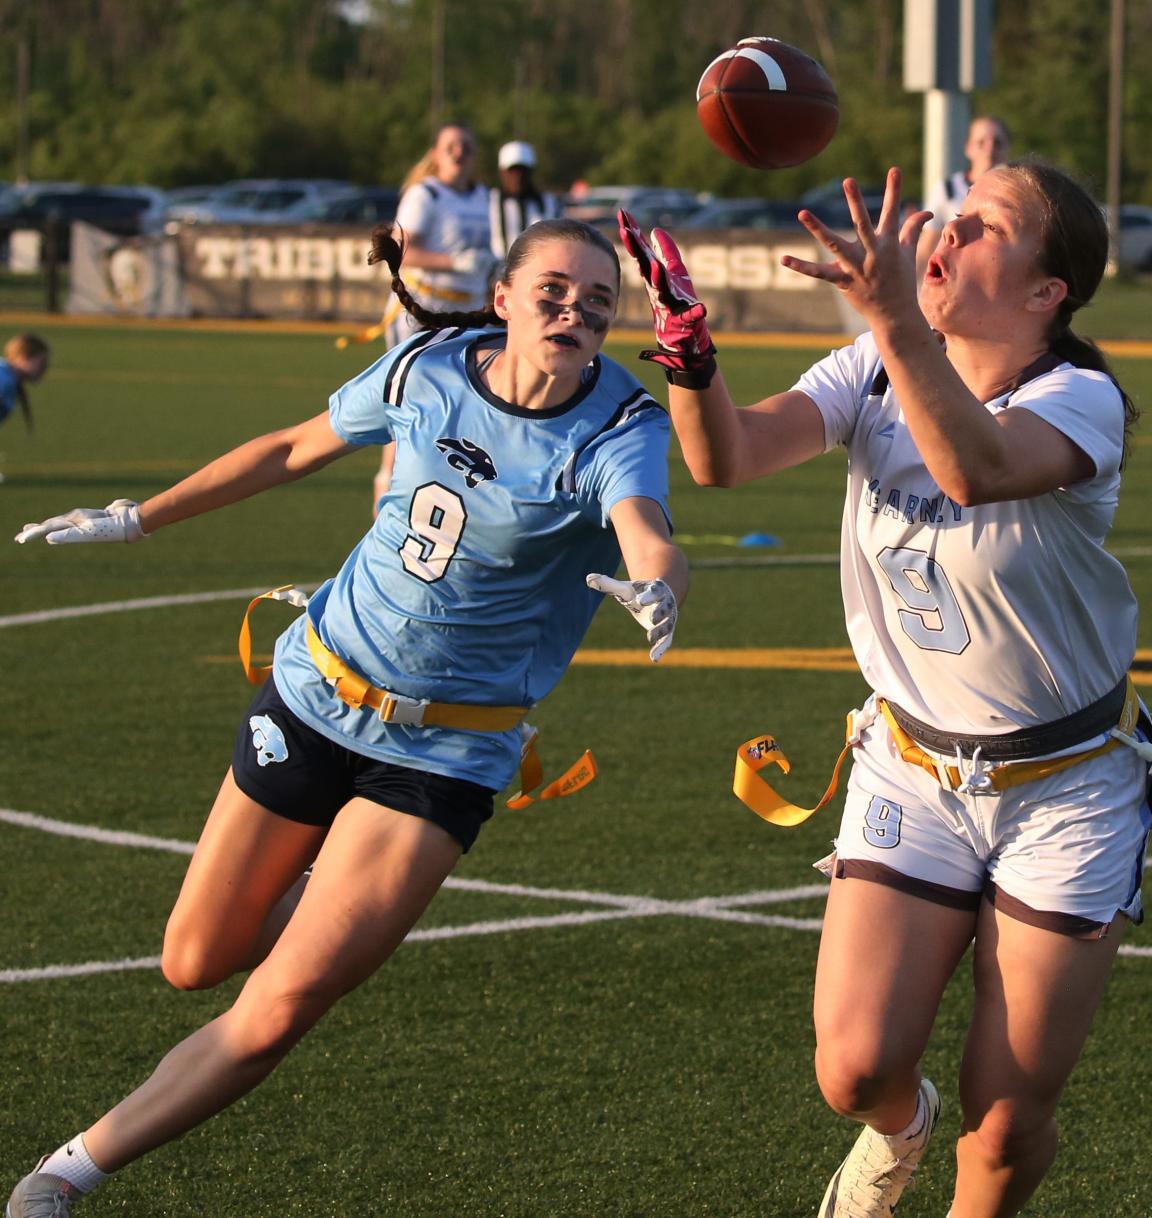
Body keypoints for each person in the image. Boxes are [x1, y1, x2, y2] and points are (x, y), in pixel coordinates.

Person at [7, 216, 688, 1217]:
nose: (573, 313)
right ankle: (328, 892)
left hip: (446, 747)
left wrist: (657, 581)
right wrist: (138, 515)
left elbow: (645, 522)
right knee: (192, 958)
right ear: (501, 298)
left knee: (281, 1004)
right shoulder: (428, 370)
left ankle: (64, 1174)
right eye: (552, 291)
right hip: (318, 688)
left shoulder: (620, 425)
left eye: (597, 302)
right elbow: (292, 448)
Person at [618, 157, 1152, 1218]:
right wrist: (689, 353)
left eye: (985, 224)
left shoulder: (1078, 397)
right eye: (953, 214)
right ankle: (899, 1127)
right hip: (915, 764)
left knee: (1007, 1121)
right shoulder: (870, 366)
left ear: (1045, 292)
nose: (949, 229)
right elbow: (725, 460)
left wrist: (893, 321)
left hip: (1066, 786)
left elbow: (975, 468)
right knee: (855, 1070)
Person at [373, 122, 496, 510]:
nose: (459, 153)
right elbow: (400, 249)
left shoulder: (485, 197)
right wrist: (453, 262)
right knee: (408, 404)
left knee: (459, 405)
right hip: (422, 311)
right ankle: (386, 502)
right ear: (436, 154)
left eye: (467, 146)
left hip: (469, 315)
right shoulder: (425, 193)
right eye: (451, 146)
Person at [915, 115, 1010, 276]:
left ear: (1007, 147)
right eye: (981, 142)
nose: (990, 148)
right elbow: (927, 248)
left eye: (997, 143)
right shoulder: (947, 190)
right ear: (968, 148)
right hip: (956, 281)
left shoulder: (1017, 193)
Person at [489, 139, 562, 259]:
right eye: (512, 171)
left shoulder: (548, 203)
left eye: (523, 171)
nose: (518, 177)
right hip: (497, 272)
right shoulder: (489, 201)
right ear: (502, 172)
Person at [0, 333, 51, 477]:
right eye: (41, 363)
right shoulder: (5, 379)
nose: (45, 369)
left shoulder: (6, 375)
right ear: (23, 358)